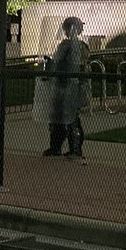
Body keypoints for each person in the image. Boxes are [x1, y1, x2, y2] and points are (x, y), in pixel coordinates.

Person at [41, 16, 90, 162]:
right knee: (69, 117)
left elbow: (57, 62)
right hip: (75, 85)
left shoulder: (67, 45)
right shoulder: (82, 46)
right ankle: (71, 148)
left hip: (64, 85)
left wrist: (49, 69)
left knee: (62, 117)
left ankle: (61, 147)